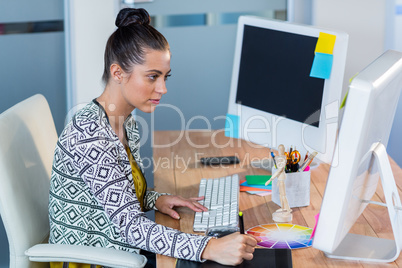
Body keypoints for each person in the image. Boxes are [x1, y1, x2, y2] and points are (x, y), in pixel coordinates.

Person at [48, 8, 259, 268]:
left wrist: (154, 199)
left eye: (165, 77)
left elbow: (113, 195)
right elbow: (130, 227)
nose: (163, 88)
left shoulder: (125, 122)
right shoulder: (90, 134)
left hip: (120, 249)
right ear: (117, 73)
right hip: (96, 261)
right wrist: (209, 247)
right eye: (152, 77)